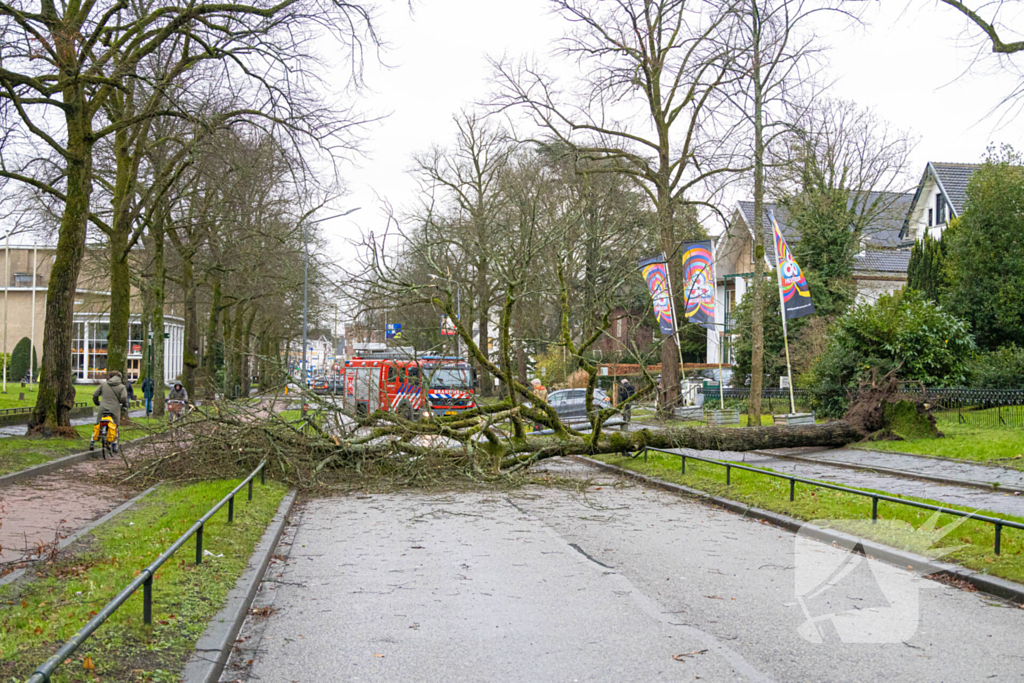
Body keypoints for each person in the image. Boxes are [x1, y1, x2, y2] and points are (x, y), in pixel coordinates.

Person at [91, 370, 129, 452]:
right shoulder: (122, 387)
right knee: (115, 425)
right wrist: (124, 404)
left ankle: (92, 441)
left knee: (98, 424)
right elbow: (124, 398)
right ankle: (114, 445)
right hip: (114, 409)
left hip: (103, 407)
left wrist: (97, 402)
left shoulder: (104, 385)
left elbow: (95, 394)